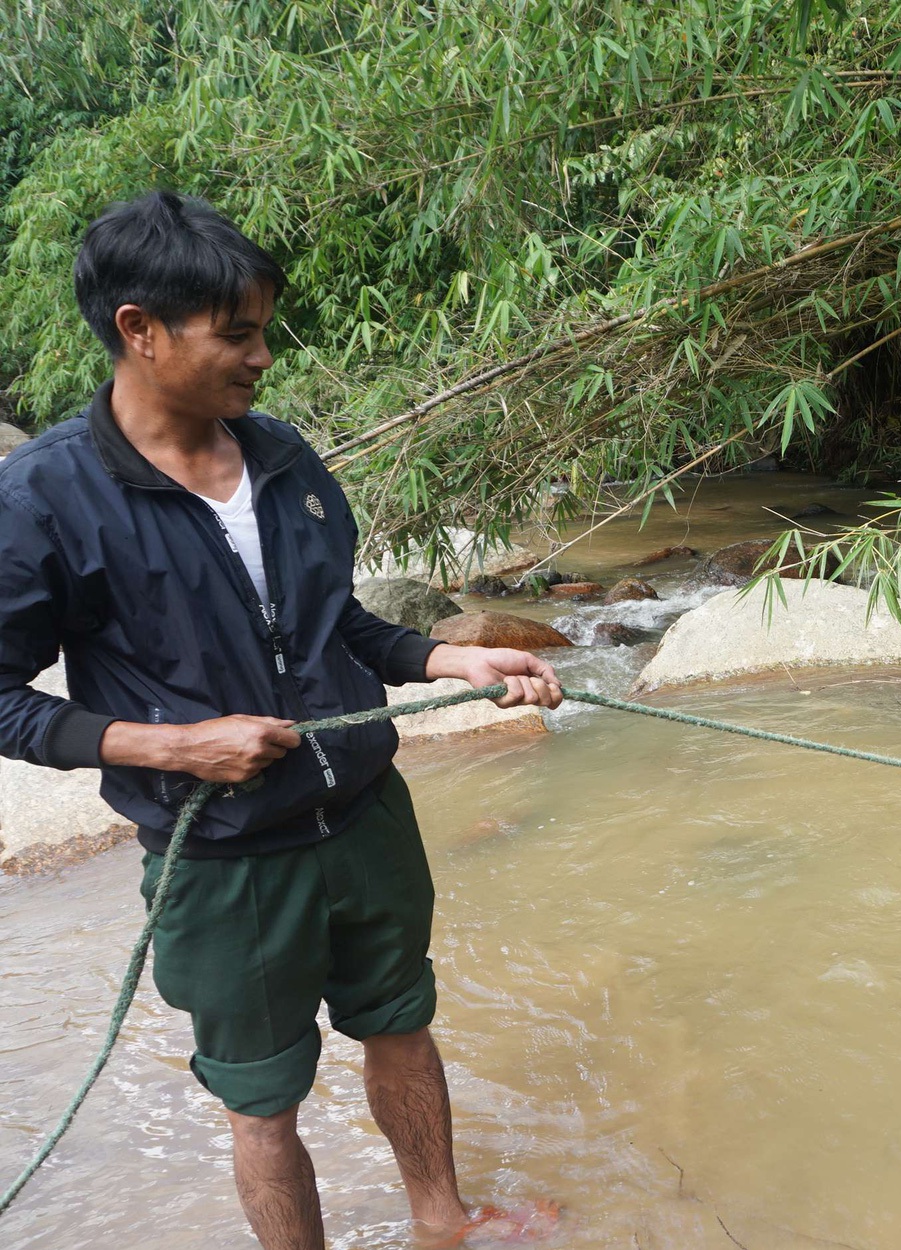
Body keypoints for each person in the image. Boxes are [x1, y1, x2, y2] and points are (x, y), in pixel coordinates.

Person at [0, 191, 563, 1248]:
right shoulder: (42, 502)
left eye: (263, 331)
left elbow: (334, 622)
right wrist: (172, 746)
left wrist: (452, 654)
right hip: (219, 858)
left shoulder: (283, 458)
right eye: (239, 334)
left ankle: (445, 1219)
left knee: (401, 1025)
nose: (263, 359)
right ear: (140, 329)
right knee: (262, 1097)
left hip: (363, 816)